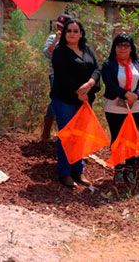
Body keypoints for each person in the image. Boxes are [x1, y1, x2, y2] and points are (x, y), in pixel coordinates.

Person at [51, 19, 101, 188]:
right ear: (64, 34)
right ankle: (64, 173)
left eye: (75, 31)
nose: (72, 33)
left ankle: (78, 170)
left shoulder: (87, 49)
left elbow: (97, 69)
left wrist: (89, 85)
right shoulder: (60, 51)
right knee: (67, 136)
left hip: (85, 99)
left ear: (81, 34)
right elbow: (62, 76)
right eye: (69, 31)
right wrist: (79, 92)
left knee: (80, 136)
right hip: (65, 100)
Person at [102, 33, 139, 184]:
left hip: (135, 107)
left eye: (126, 45)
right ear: (114, 48)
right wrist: (126, 94)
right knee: (117, 139)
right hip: (114, 107)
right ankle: (118, 169)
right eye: (119, 45)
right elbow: (110, 84)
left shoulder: (138, 63)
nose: (123, 48)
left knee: (131, 139)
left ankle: (130, 168)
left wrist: (135, 95)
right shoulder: (108, 64)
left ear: (131, 48)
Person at [41, 14, 72, 142]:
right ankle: (46, 132)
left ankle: (64, 135)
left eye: (62, 27)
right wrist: (56, 41)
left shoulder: (72, 40)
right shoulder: (53, 38)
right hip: (55, 75)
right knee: (56, 100)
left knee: (66, 102)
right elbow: (47, 53)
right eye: (58, 25)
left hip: (70, 77)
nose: (59, 28)